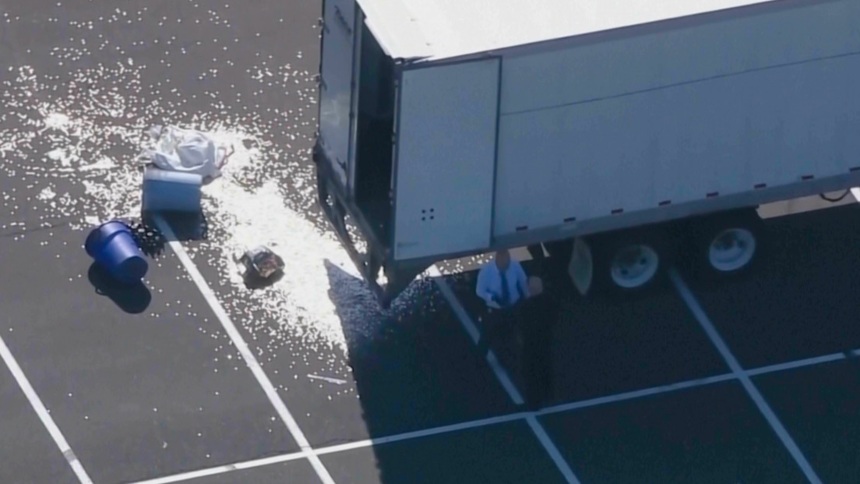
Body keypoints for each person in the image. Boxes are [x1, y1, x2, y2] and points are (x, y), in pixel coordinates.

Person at [516, 276, 561, 410]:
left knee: (531, 372)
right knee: (546, 367)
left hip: (531, 343)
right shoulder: (550, 301)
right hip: (546, 340)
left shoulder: (526, 306)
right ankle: (549, 396)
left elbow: (522, 325)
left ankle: (534, 402)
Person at [475, 249, 529, 353]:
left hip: (513, 305)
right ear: (497, 260)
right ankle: (479, 361)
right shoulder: (486, 272)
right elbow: (479, 290)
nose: (506, 268)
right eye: (504, 265)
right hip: (495, 309)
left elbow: (524, 283)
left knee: (519, 330)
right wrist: (492, 297)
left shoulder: (515, 265)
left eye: (508, 264)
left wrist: (530, 299)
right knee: (486, 336)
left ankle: (519, 354)